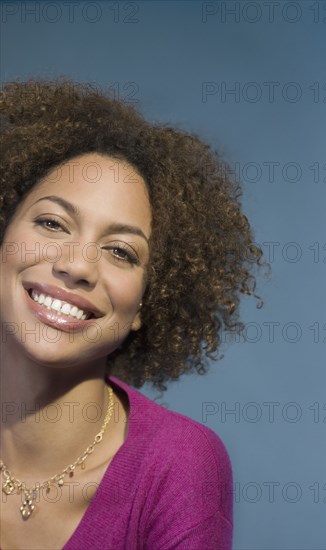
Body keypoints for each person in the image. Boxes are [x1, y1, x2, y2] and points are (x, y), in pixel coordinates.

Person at [0, 78, 265, 550]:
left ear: (148, 301)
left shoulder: (178, 465)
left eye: (121, 251)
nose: (76, 265)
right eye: (51, 222)